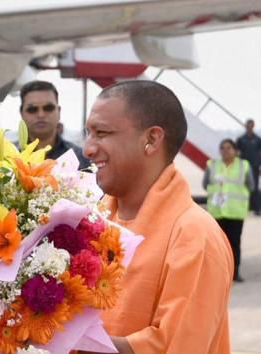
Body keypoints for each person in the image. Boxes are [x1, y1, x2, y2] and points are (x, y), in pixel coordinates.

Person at [82, 80, 233, 353]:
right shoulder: (91, 220)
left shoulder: (194, 236)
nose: (88, 149)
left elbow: (176, 345)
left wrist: (66, 342)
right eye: (88, 133)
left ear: (151, 140)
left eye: (101, 133)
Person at [203, 138, 253, 283]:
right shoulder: (212, 165)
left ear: (236, 151)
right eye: (223, 148)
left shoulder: (244, 165)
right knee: (216, 246)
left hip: (234, 212)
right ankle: (216, 273)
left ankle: (235, 273)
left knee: (234, 244)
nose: (225, 151)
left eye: (229, 148)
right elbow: (205, 184)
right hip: (216, 213)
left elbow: (250, 185)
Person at [20, 80, 90, 169]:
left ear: (59, 111)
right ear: (21, 113)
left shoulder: (80, 158)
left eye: (48, 108)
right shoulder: (9, 157)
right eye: (32, 109)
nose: (41, 114)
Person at [236, 118, 261, 215]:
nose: (249, 127)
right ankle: (243, 208)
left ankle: (257, 209)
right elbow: (236, 152)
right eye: (248, 125)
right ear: (245, 126)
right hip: (244, 167)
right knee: (243, 187)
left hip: (255, 166)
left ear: (253, 126)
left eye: (251, 125)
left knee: (254, 187)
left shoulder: (258, 139)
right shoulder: (241, 139)